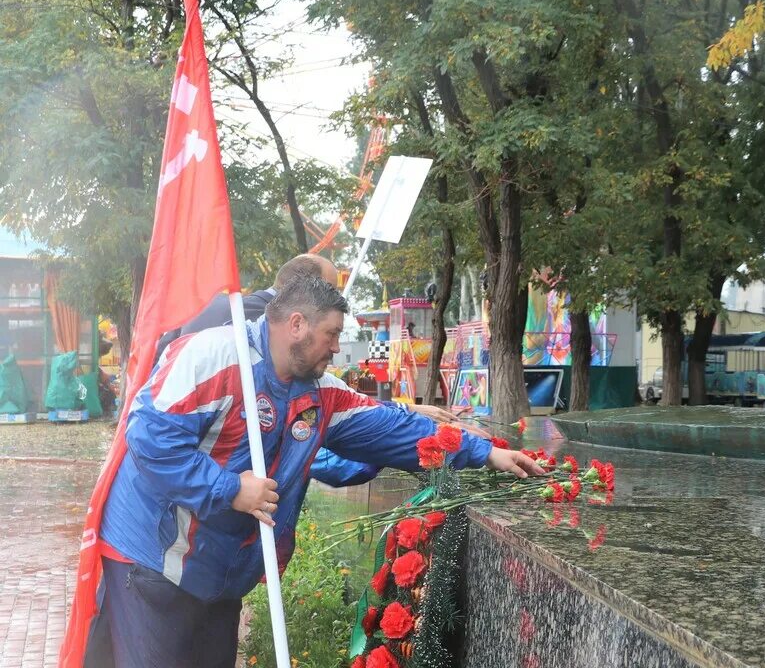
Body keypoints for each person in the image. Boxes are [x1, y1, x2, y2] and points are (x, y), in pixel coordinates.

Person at [86, 276, 543, 666]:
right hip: (151, 563)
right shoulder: (214, 356)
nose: (337, 347)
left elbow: (389, 427)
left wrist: (484, 453)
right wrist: (229, 489)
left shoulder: (320, 392)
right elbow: (148, 437)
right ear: (297, 325)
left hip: (219, 576)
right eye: (332, 333)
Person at [155, 253, 463, 486]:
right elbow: (301, 424)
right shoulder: (253, 330)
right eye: (328, 293)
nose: (336, 303)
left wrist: (399, 419)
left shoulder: (238, 312)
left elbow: (328, 408)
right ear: (299, 309)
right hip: (195, 499)